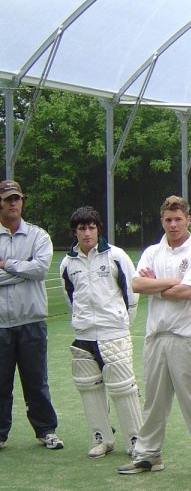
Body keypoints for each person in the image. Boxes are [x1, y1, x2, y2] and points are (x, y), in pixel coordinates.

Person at [117, 195, 191, 479]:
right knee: (153, 400)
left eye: (178, 219)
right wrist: (171, 282)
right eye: (168, 220)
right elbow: (137, 284)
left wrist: (157, 286)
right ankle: (149, 455)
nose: (173, 225)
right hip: (155, 336)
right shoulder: (153, 252)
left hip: (185, 336)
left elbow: (188, 292)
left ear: (188, 219)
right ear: (162, 221)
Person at [60, 206, 142, 458]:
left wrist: (120, 323)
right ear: (75, 231)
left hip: (114, 331)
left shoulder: (115, 256)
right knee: (89, 387)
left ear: (99, 229)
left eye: (91, 227)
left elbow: (132, 293)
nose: (87, 233)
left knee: (122, 387)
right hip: (84, 333)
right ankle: (102, 438)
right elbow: (70, 296)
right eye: (82, 228)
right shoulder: (67, 262)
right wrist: (82, 321)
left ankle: (136, 440)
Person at [0, 180, 63, 451]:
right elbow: (30, 270)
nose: (13, 203)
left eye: (17, 198)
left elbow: (39, 270)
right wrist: (20, 271)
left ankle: (46, 430)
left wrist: (5, 265)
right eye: (8, 199)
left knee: (36, 381)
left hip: (32, 322)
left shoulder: (39, 236)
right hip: (1, 324)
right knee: (1, 384)